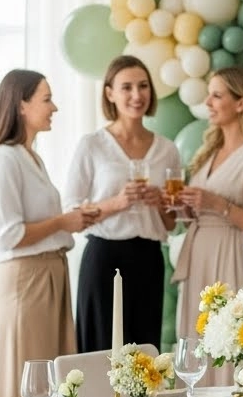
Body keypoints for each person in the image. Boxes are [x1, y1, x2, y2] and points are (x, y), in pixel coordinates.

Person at [0, 69, 98, 397]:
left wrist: (71, 221)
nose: (54, 107)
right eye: (46, 99)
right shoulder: (3, 160)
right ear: (21, 105)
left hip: (50, 275)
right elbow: (9, 234)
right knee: (27, 385)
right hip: (26, 283)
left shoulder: (32, 158)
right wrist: (63, 222)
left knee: (56, 386)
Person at [63, 55, 181, 351]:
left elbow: (172, 223)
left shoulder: (166, 149)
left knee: (144, 353)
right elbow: (72, 212)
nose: (136, 95)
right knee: (101, 352)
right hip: (104, 258)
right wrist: (117, 203)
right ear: (110, 93)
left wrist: (159, 202)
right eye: (126, 87)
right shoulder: (91, 145)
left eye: (143, 86)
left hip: (149, 259)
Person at [172, 67, 243, 385]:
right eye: (208, 95)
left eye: (217, 95)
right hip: (200, 250)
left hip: (232, 253)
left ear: (242, 103)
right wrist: (187, 208)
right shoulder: (208, 154)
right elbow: (200, 210)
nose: (208, 103)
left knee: (231, 335)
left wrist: (217, 205)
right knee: (197, 334)